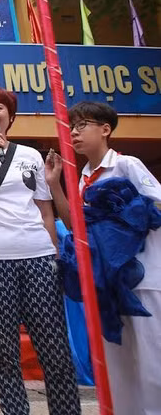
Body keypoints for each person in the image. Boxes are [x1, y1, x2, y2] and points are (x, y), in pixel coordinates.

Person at [0, 86, 80, 415]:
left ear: (11, 116)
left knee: (54, 347)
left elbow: (44, 210)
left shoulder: (30, 156)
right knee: (4, 349)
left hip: (36, 256)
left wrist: (53, 254)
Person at [45, 101, 161, 413]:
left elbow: (158, 206)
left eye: (82, 125)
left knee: (153, 365)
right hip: (107, 285)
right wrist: (55, 184)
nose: (74, 133)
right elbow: (75, 226)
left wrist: (124, 218)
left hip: (144, 278)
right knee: (118, 367)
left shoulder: (127, 165)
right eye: (71, 127)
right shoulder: (83, 176)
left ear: (105, 129)